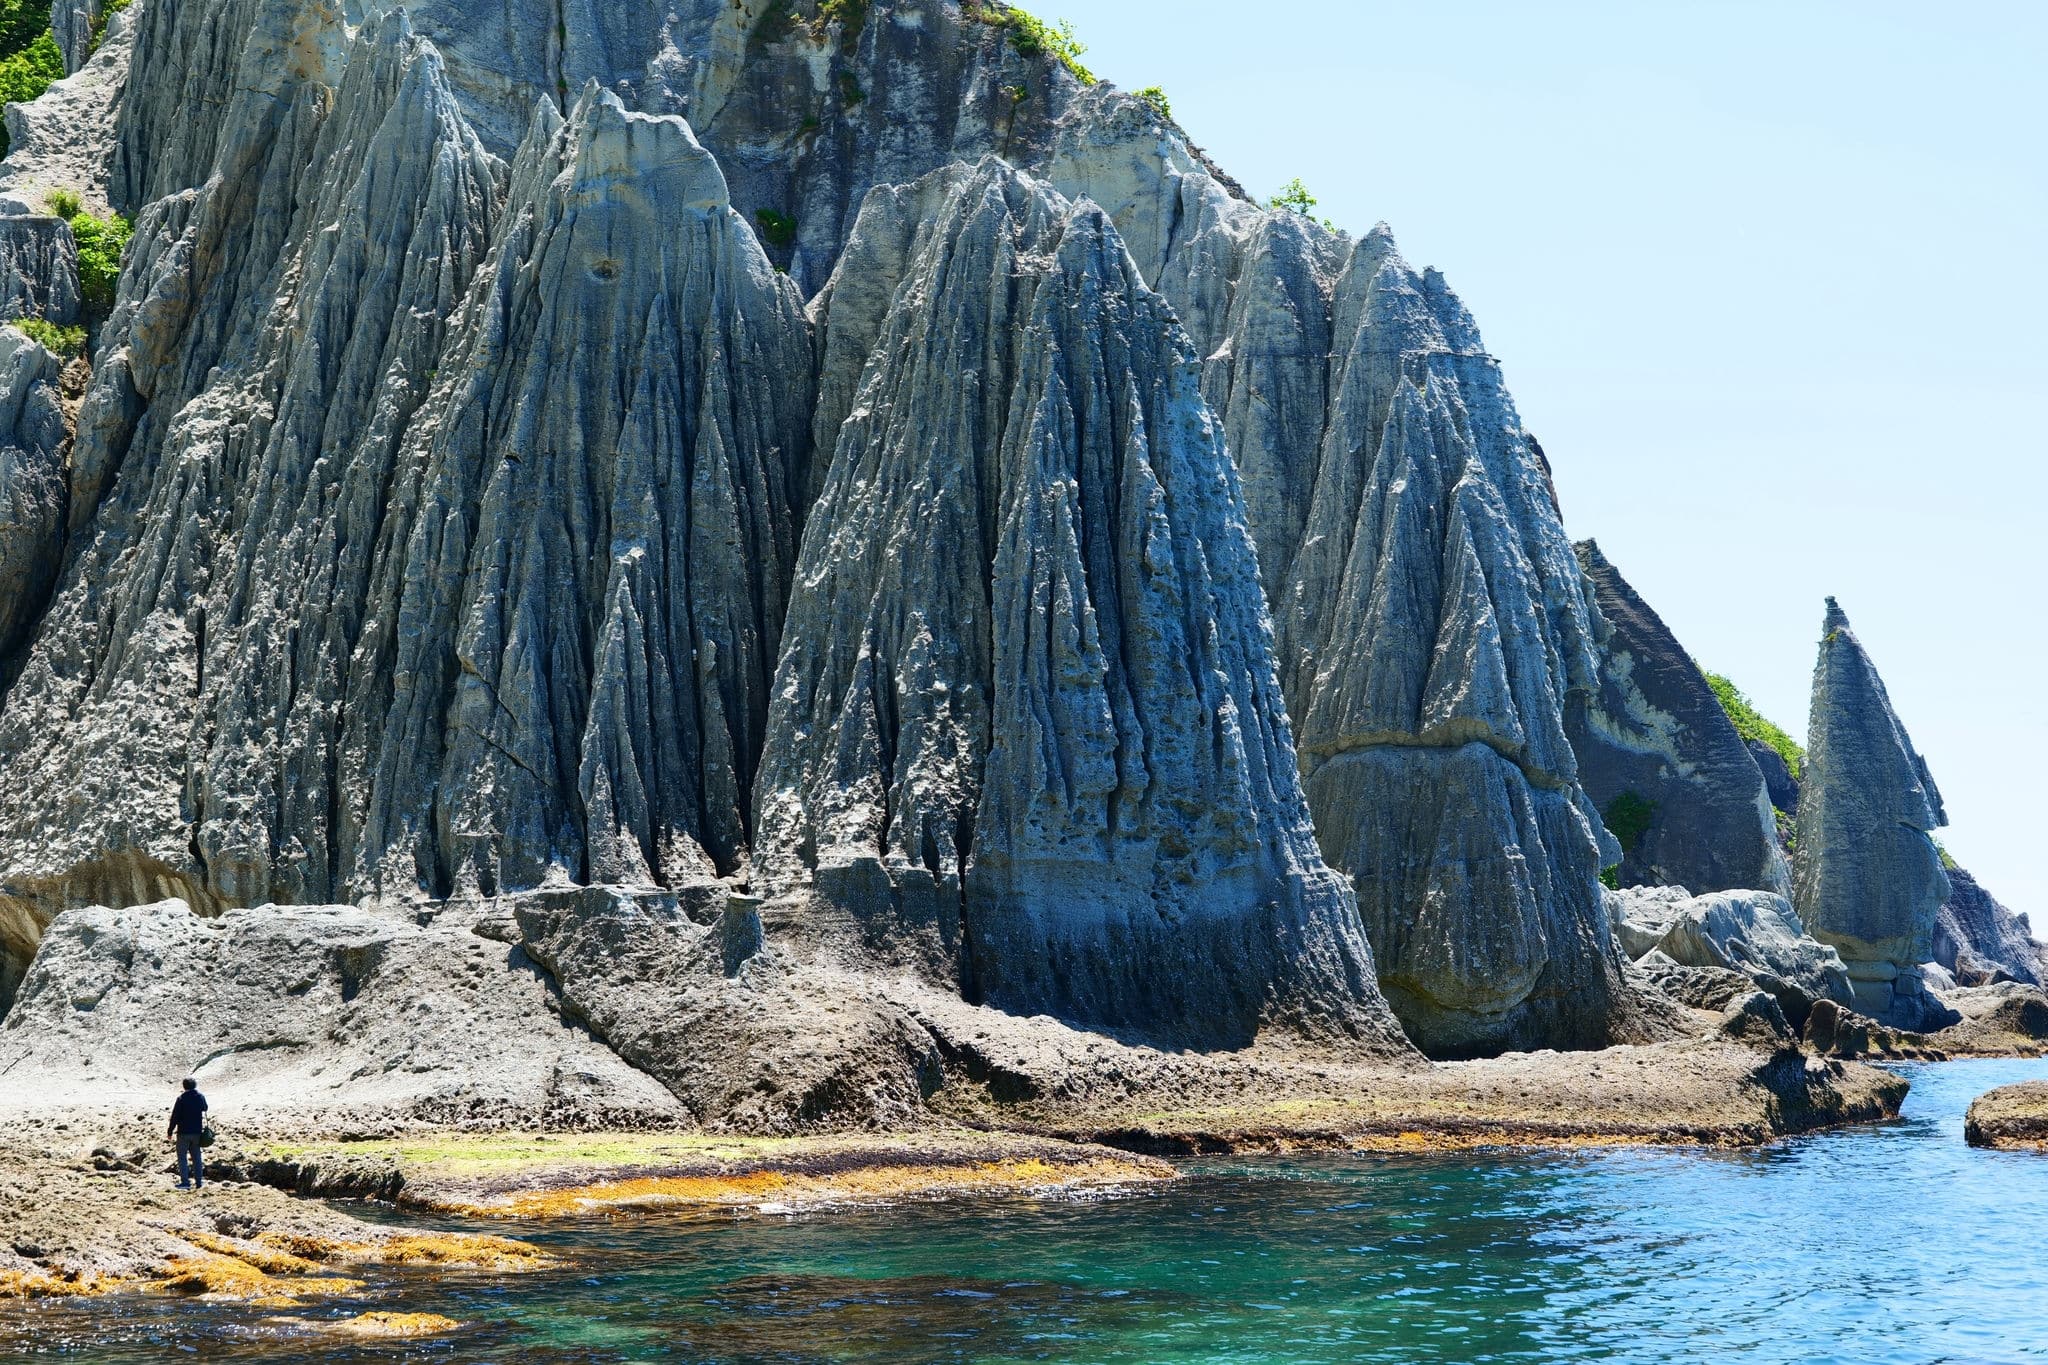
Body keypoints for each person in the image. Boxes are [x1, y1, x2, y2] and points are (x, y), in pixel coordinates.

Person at [168, 1077, 208, 1190]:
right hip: (197, 1132)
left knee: (182, 1158)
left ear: (184, 1086)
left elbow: (174, 1116)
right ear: (195, 1085)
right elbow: (205, 1108)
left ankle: (185, 1182)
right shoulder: (200, 1096)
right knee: (197, 1157)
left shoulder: (181, 1098)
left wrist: (170, 1131)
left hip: (183, 1132)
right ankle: (199, 1182)